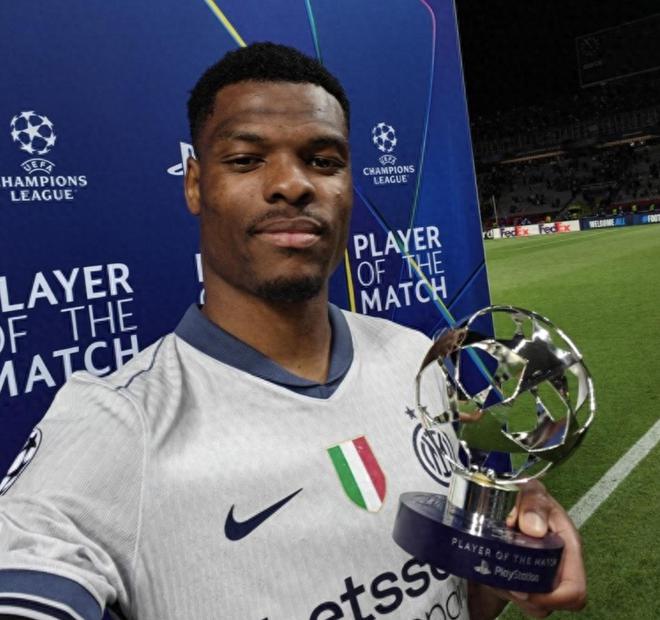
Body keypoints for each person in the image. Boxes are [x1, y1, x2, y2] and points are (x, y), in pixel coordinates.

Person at [0, 43, 585, 619]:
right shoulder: (119, 423)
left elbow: (451, 600)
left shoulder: (415, 359)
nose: (292, 184)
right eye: (246, 159)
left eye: (324, 161)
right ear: (195, 184)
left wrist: (502, 561)